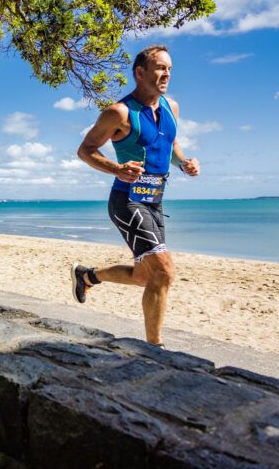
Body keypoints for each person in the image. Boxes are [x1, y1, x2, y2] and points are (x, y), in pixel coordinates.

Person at [74, 45, 200, 347]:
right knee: (164, 272)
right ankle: (155, 348)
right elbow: (85, 150)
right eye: (160, 67)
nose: (167, 73)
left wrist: (182, 162)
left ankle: (88, 276)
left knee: (146, 277)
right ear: (140, 73)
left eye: (169, 68)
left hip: (155, 201)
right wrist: (117, 168)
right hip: (126, 201)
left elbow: (168, 141)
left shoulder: (173, 107)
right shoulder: (119, 112)